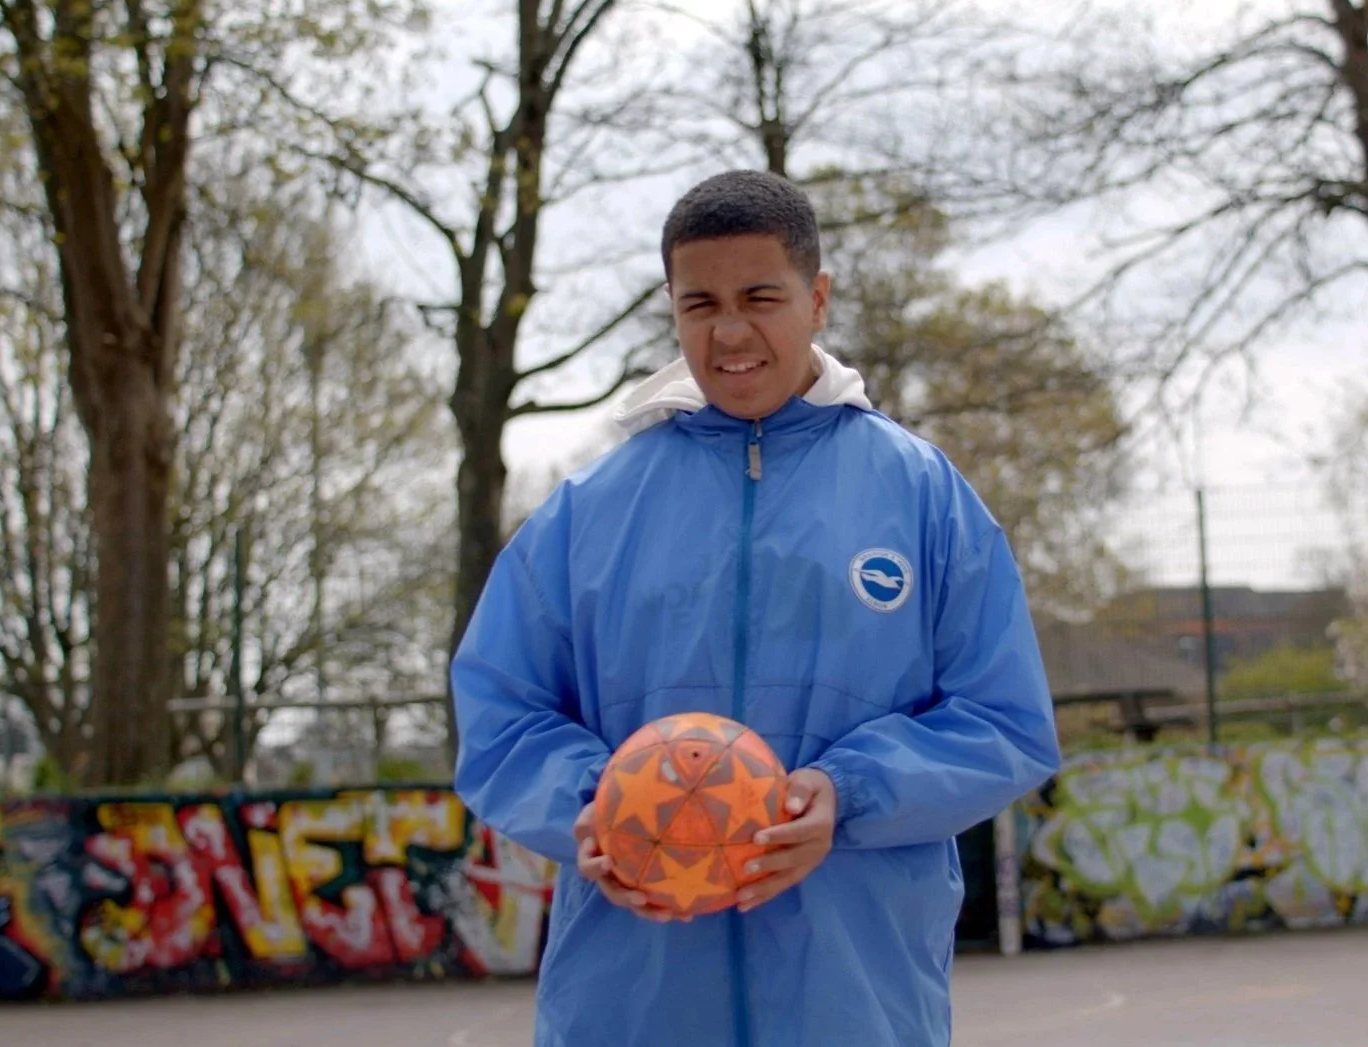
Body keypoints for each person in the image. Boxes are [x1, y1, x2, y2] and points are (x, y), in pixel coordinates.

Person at [452, 170, 1061, 1047]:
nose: (728, 331)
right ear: (672, 307)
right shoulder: (589, 510)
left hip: (854, 999)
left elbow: (1003, 719)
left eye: (759, 296)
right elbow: (501, 711)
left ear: (815, 298)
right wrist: (599, 803)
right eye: (698, 303)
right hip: (631, 1006)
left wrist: (844, 794)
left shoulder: (922, 495)